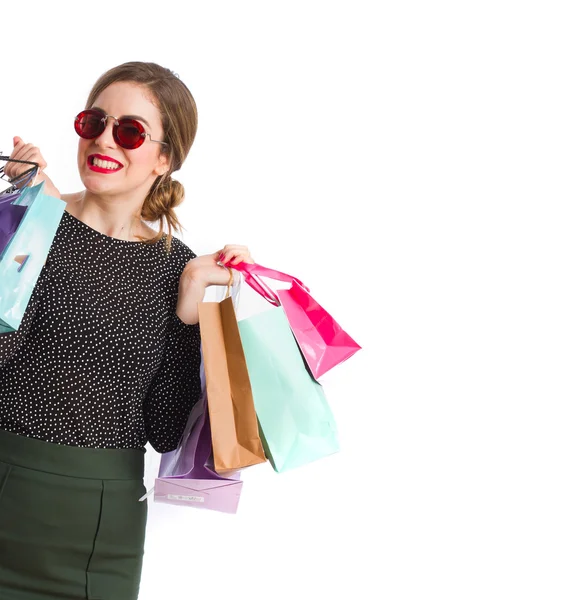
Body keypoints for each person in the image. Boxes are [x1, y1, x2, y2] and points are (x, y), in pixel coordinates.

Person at [0, 61, 253, 600]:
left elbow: (164, 431)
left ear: (165, 157)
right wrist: (29, 219)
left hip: (99, 528)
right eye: (95, 122)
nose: (105, 140)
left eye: (130, 131)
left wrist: (190, 318)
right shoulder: (29, 216)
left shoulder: (173, 266)